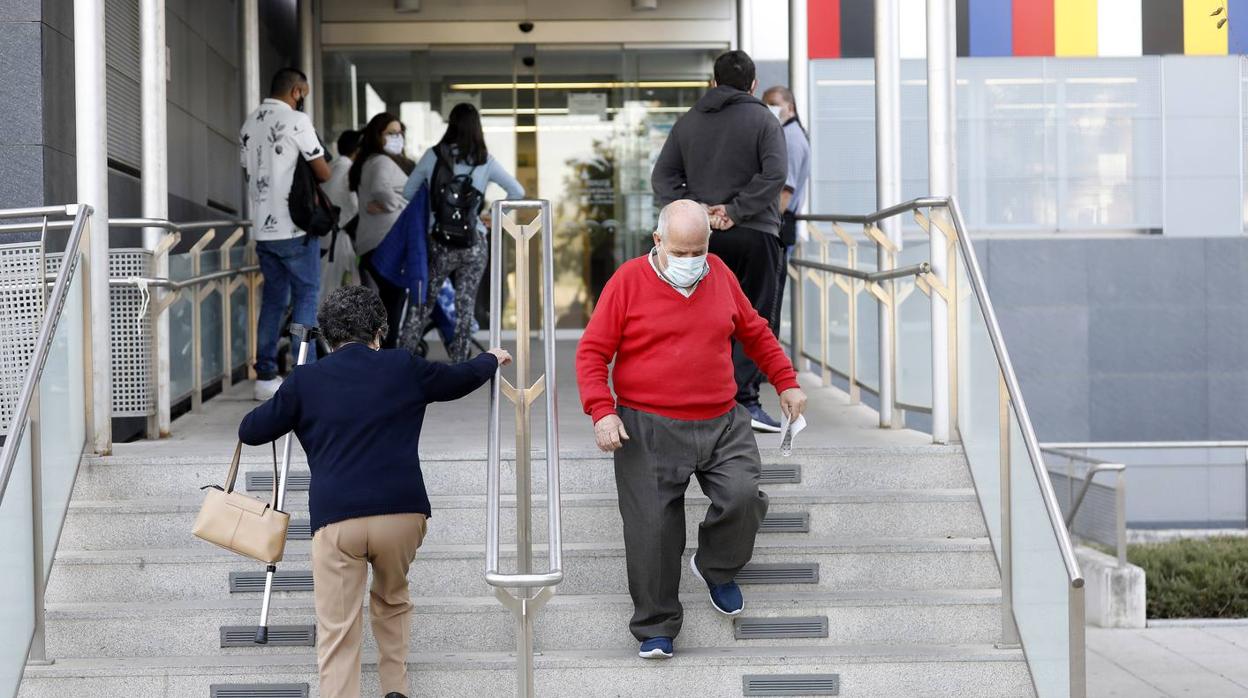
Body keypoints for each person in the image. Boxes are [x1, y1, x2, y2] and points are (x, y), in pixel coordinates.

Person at [238, 285, 512, 698]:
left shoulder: (306, 379)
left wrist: (292, 398)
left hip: (337, 522)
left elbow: (251, 431)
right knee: (392, 598)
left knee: (338, 628)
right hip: (402, 516)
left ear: (328, 339)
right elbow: (461, 378)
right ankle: (395, 689)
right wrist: (490, 359)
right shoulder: (403, 365)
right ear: (379, 332)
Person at [575, 200, 807, 660]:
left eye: (697, 250)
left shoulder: (718, 272)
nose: (690, 261)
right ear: (657, 241)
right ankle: (656, 626)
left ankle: (716, 566)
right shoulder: (627, 281)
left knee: (743, 496)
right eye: (680, 252)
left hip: (722, 419)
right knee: (652, 531)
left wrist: (786, 381)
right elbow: (592, 353)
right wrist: (603, 411)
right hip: (647, 424)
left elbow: (756, 332)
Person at [651, 50, 789, 434]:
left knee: (698, 316)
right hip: (754, 233)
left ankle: (701, 402)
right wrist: (736, 210)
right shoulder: (764, 118)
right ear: (754, 84)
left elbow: (663, 177)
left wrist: (696, 212)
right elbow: (775, 173)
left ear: (713, 83)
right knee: (755, 319)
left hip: (700, 240)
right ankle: (745, 403)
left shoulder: (687, 122)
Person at [399, 102, 525, 362]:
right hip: (473, 242)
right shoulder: (484, 160)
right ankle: (460, 363)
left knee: (423, 303)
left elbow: (408, 192)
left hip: (440, 243)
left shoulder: (434, 155)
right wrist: (489, 217)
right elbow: (517, 192)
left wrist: (434, 210)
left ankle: (402, 359)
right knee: (465, 305)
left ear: (451, 125)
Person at [240, 67, 330, 401]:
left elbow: (247, 170)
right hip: (294, 226)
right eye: (303, 92)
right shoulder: (297, 122)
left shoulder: (249, 124)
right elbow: (323, 170)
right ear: (296, 90)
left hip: (263, 230)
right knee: (306, 295)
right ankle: (305, 372)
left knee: (274, 301)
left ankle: (265, 376)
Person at [350, 113, 415, 348]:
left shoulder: (372, 162)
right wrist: (401, 205)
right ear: (377, 135)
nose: (397, 138)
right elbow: (382, 191)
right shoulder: (381, 162)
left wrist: (391, 202)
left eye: (399, 133)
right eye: (390, 133)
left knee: (386, 302)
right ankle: (386, 354)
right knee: (393, 301)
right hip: (385, 243)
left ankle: (381, 354)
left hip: (373, 242)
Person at [319, 129, 362, 302]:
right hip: (338, 239)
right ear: (357, 150)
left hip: (324, 238)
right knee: (338, 289)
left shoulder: (332, 168)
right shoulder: (348, 171)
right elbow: (355, 207)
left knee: (324, 289)